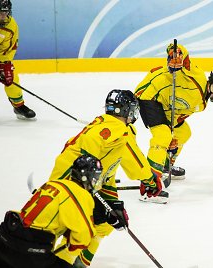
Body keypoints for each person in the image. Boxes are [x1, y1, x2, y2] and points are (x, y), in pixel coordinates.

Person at [48, 89, 165, 267]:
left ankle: (79, 261)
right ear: (126, 111)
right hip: (73, 183)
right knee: (71, 227)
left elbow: (105, 166)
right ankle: (61, 262)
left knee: (105, 221)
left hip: (83, 180)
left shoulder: (106, 125)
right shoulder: (120, 131)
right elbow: (134, 164)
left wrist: (110, 201)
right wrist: (150, 180)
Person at [134, 43, 213, 195]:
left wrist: (173, 138)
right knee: (162, 136)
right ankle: (150, 184)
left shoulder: (202, 103)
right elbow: (182, 53)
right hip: (149, 95)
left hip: (164, 106)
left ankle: (165, 165)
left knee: (184, 132)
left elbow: (177, 113)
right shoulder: (197, 77)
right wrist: (176, 55)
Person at [0, 155, 103, 267]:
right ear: (86, 177)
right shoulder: (81, 193)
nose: (96, 180)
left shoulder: (52, 183)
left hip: (4, 240)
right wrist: (71, 243)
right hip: (29, 253)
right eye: (96, 176)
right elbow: (83, 237)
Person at [0, 0, 35, 119]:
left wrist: (4, 66)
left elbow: (7, 49)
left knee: (11, 77)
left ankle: (18, 106)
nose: (3, 16)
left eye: (5, 12)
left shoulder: (11, 26)